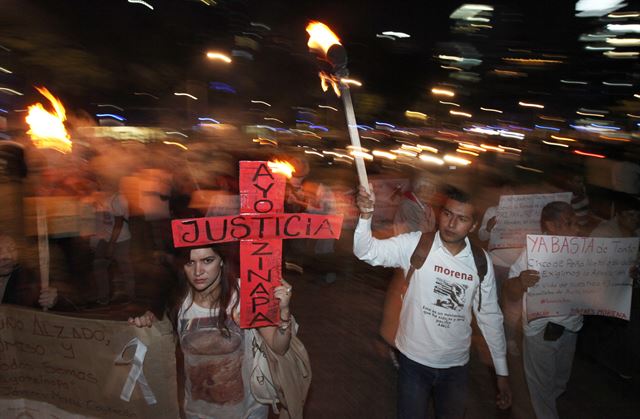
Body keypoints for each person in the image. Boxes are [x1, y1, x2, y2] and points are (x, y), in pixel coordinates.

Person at [354, 185, 511, 418]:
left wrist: (502, 372)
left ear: (474, 225)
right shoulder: (415, 244)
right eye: (447, 214)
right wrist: (366, 215)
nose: (451, 223)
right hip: (413, 362)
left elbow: (490, 317)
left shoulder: (481, 262)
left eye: (461, 219)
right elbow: (366, 251)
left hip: (456, 367)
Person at [129, 244, 293, 419]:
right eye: (190, 263)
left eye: (207, 261)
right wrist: (145, 325)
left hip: (247, 413)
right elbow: (157, 343)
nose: (198, 271)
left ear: (221, 261)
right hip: (199, 413)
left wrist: (283, 313)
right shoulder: (177, 302)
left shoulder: (246, 294)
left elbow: (279, 346)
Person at [504, 201, 582, 419]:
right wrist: (520, 281)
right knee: (542, 390)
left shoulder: (583, 250)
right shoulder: (533, 252)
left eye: (576, 222)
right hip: (541, 330)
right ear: (550, 225)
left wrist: (624, 277)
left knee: (559, 383)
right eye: (569, 223)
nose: (576, 228)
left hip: (571, 329)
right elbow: (509, 289)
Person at [0, 234, 58, 309]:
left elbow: (39, 297)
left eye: (12, 249)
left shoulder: (26, 277)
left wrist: (52, 299)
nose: (8, 256)